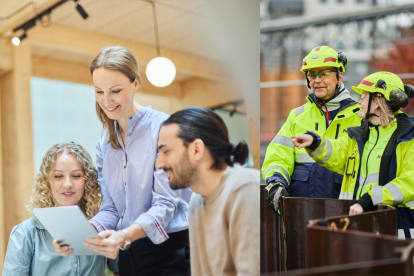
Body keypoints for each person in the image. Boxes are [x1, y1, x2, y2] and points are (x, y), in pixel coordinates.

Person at [56, 46, 190, 276]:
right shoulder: (105, 144)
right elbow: (112, 208)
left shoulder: (164, 129)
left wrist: (125, 235)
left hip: (169, 254)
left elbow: (166, 205)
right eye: (99, 91)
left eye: (115, 91)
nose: (106, 100)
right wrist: (83, 234)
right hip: (128, 256)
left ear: (135, 83)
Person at [292, 71, 414, 239]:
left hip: (398, 231)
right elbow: (335, 152)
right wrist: (314, 142)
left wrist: (370, 199)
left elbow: (409, 182)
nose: (360, 102)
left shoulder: (409, 137)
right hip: (361, 227)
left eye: (364, 97)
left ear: (378, 101)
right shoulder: (359, 135)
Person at [155, 107, 260, 276]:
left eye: (166, 151)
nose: (158, 164)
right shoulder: (197, 200)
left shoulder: (245, 189)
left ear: (196, 149)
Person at [262, 45, 362, 212]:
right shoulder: (297, 115)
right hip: (301, 212)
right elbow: (278, 155)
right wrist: (276, 182)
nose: (316, 80)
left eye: (323, 74)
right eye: (312, 75)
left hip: (344, 213)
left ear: (339, 76)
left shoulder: (359, 116)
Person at [2, 142, 105, 276]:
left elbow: (119, 268)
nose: (67, 184)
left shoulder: (102, 228)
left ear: (88, 181)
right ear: (47, 181)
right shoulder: (26, 234)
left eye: (76, 176)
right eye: (58, 176)